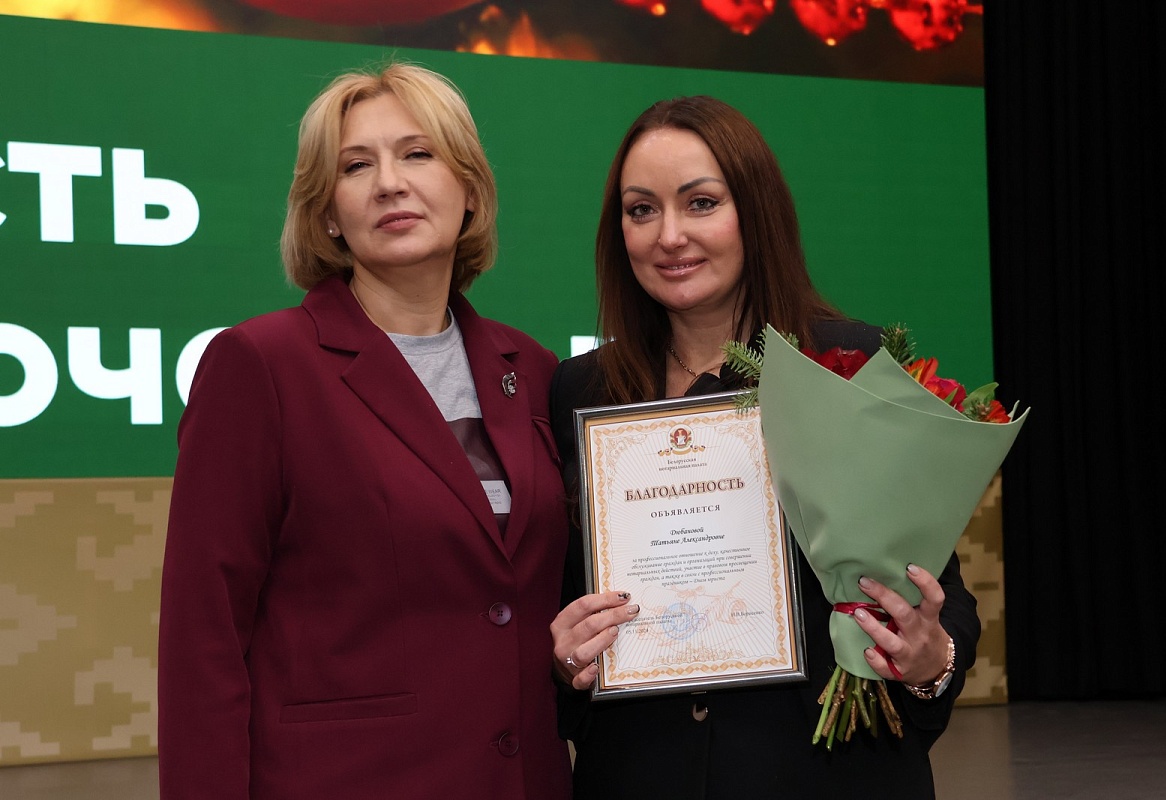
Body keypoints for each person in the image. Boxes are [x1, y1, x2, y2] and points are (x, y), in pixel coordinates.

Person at [157, 63, 572, 799]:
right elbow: (203, 634)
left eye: (418, 154)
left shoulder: (534, 370)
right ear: (326, 213)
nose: (389, 183)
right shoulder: (260, 365)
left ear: (471, 191)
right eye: (355, 166)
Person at [548, 96, 981, 799]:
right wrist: (568, 659)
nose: (669, 235)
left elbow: (938, 591)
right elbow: (566, 601)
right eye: (641, 210)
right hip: (642, 770)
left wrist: (933, 661)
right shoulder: (580, 389)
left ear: (755, 211)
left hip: (829, 773)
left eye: (701, 203)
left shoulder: (848, 364)